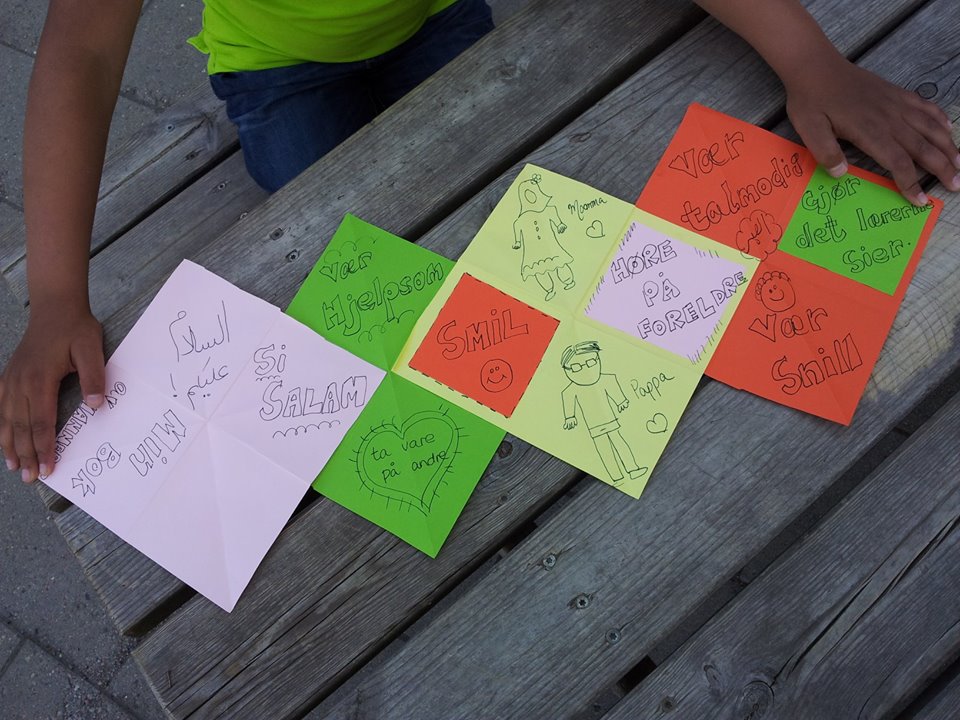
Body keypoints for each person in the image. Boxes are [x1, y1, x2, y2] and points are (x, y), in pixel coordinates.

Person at [2, 0, 958, 484]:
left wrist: (809, 59)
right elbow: (83, 47)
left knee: (508, 252)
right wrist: (55, 295)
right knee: (367, 290)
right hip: (281, 71)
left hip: (436, 20)